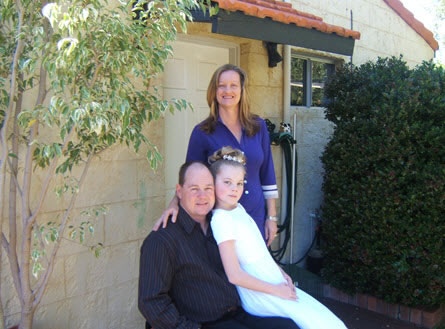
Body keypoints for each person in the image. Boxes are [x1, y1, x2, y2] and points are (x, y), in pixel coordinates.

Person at [138, 161, 300, 329]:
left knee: (288, 326)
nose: (202, 196)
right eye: (194, 189)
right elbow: (151, 302)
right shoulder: (162, 240)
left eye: (208, 188)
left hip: (239, 313)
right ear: (179, 191)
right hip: (202, 324)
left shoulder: (219, 224)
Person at [208, 146, 348, 329]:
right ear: (213, 182)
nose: (235, 189)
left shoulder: (237, 209)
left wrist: (281, 272)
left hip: (272, 279)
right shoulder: (221, 220)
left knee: (330, 323)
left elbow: (258, 250)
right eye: (227, 182)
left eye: (239, 183)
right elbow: (234, 275)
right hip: (260, 294)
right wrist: (276, 290)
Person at [154, 64, 279, 246]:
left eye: (233, 85)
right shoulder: (203, 132)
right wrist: (174, 203)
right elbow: (190, 177)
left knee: (255, 269)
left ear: (242, 90)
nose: (227, 90)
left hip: (256, 217)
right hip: (221, 220)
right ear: (214, 91)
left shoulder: (258, 126)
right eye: (221, 85)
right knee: (224, 272)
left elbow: (268, 173)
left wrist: (272, 217)